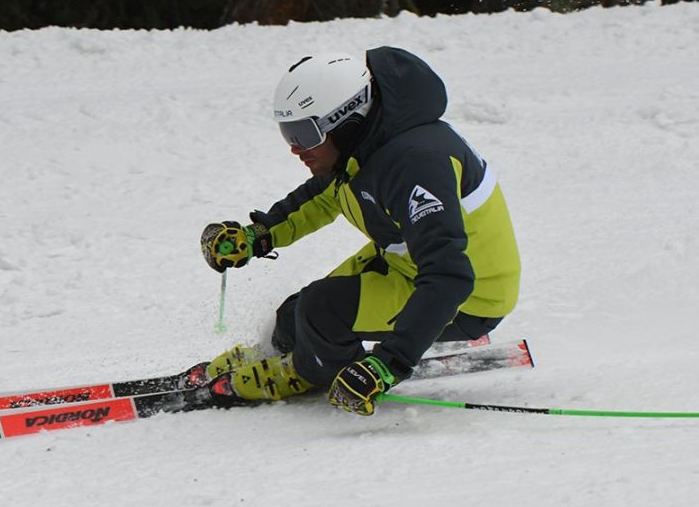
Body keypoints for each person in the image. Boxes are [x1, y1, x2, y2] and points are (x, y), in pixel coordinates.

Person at [199, 47, 521, 416]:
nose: (294, 148)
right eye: (287, 131)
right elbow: (323, 196)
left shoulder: (417, 163)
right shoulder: (364, 146)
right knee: (293, 318)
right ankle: (289, 353)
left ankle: (308, 371)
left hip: (471, 294)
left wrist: (388, 364)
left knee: (321, 311)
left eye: (304, 132)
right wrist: (259, 236)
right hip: (406, 262)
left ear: (346, 119)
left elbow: (450, 276)